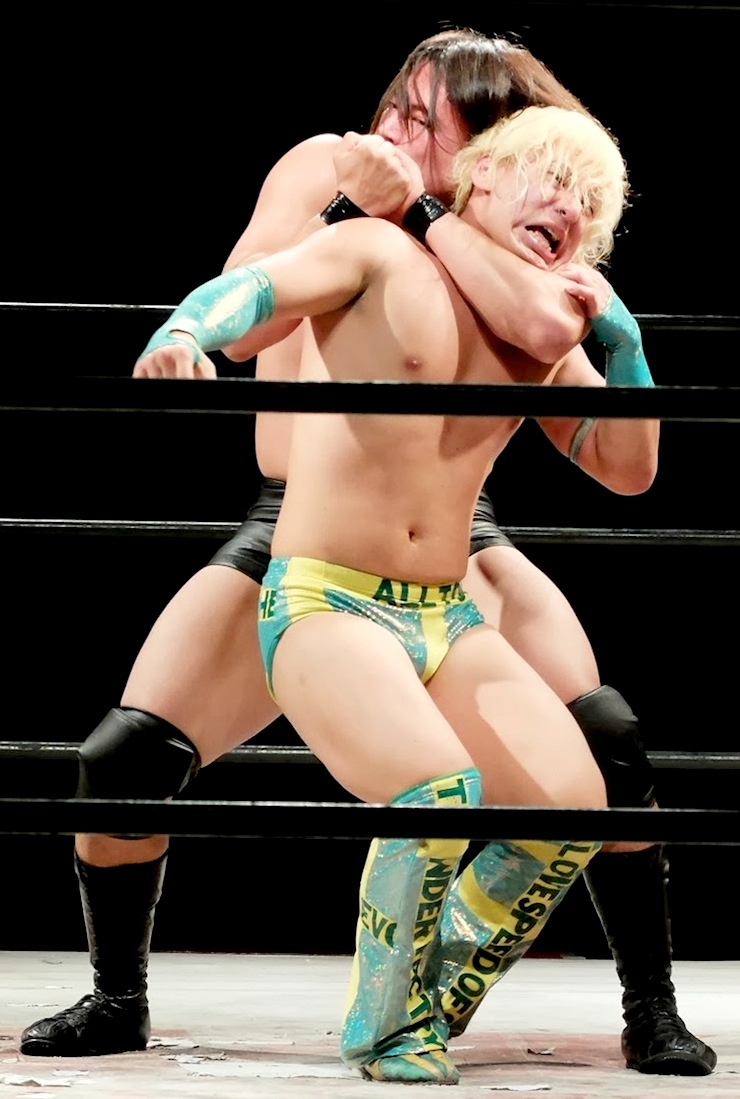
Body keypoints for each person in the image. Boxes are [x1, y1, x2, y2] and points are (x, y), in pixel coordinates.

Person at [19, 28, 714, 1078]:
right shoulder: (333, 179)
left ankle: (644, 1004)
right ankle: (120, 992)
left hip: (458, 545)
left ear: (489, 151)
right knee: (124, 757)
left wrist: (604, 325)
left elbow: (620, 448)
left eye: (427, 121)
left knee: (598, 748)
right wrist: (342, 215)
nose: (395, 130)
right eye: (397, 105)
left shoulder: (514, 261)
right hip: (298, 527)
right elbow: (244, 308)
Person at [115, 101, 631, 1085]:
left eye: (589, 204)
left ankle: (414, 990)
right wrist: (186, 329)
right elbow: (260, 288)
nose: (569, 208)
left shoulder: (534, 330)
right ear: (484, 175)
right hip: (326, 599)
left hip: (446, 614)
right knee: (436, 791)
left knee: (572, 806)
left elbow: (628, 466)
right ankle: (391, 1028)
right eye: (554, 181)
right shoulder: (379, 252)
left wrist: (626, 343)